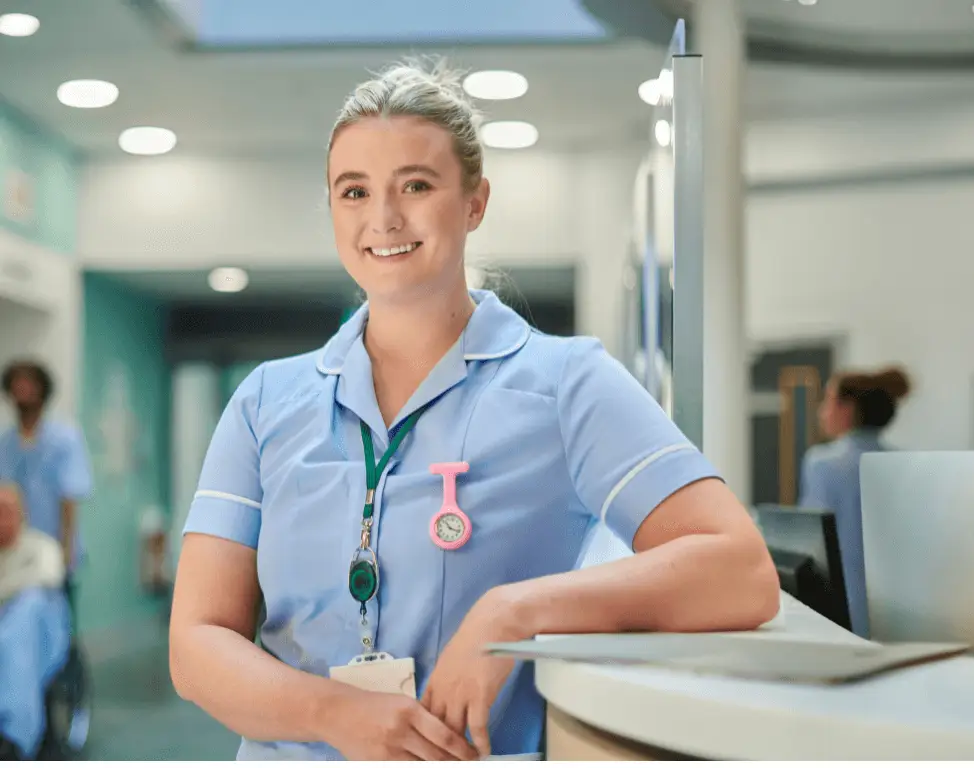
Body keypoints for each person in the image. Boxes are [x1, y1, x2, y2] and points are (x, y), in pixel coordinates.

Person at [168, 60, 780, 762]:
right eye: (354, 191)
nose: (384, 219)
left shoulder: (565, 383)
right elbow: (197, 644)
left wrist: (516, 612)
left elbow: (740, 570)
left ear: (474, 202)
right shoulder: (265, 402)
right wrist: (336, 715)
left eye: (417, 186)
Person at [799, 366, 913, 639]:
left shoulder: (822, 463)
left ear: (847, 409)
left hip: (841, 609)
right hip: (902, 610)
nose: (821, 411)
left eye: (828, 400)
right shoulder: (904, 464)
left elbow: (810, 546)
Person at [0, 360, 94, 590]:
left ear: (42, 391)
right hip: (14, 555)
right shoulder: (6, 443)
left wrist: (65, 556)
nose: (21, 392)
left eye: (28, 385)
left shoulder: (64, 439)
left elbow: (69, 499)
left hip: (55, 548)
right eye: (16, 386)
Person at [0, 484, 72, 761]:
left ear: (22, 513)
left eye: (7, 511)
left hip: (39, 634)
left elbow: (49, 576)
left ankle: (16, 736)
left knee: (27, 608)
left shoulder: (42, 546)